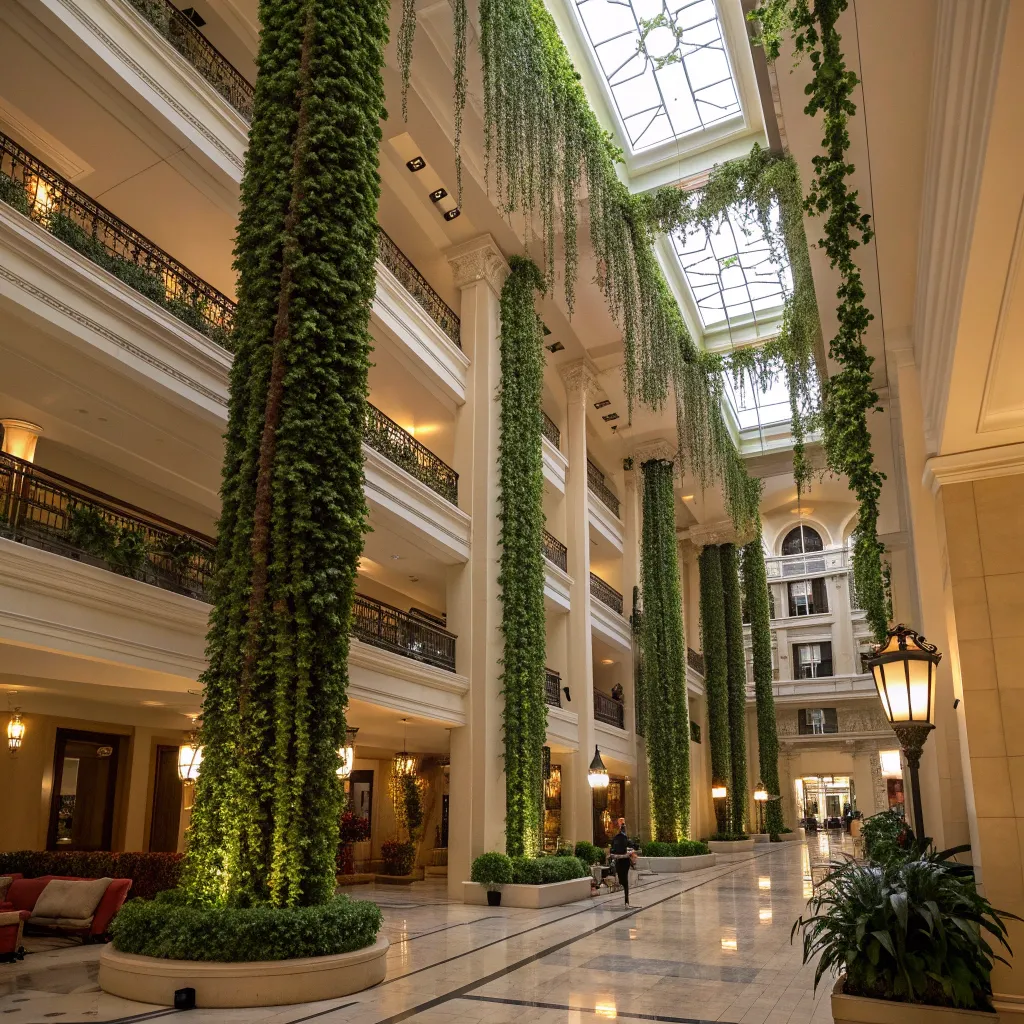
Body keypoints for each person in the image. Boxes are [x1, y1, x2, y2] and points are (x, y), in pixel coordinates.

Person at [608, 818, 636, 906]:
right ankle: (626, 898)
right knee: (622, 880)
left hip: (623, 861)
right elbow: (613, 849)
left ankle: (626, 899)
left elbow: (632, 846)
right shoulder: (619, 838)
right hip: (620, 861)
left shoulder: (623, 838)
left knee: (624, 880)